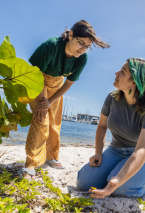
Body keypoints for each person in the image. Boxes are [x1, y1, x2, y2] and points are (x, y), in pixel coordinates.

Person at [18, 20, 110, 180]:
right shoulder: (51, 46)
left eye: (87, 47)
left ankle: (51, 156)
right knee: (42, 119)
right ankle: (30, 164)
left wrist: (51, 100)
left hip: (57, 86)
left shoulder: (82, 59)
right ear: (71, 35)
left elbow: (68, 84)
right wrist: (43, 101)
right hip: (36, 81)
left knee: (55, 123)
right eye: (81, 43)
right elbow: (34, 74)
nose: (83, 50)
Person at [77, 58, 145, 198]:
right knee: (84, 183)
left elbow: (142, 150)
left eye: (122, 72)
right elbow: (102, 125)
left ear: (134, 81)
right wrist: (98, 152)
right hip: (115, 150)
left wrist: (115, 182)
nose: (116, 73)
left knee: (119, 188)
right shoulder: (112, 98)